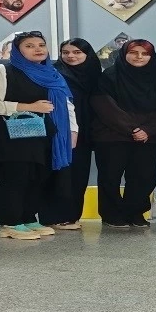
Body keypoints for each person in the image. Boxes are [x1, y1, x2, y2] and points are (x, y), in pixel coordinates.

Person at [0, 31, 78, 241]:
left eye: (41, 45)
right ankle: (10, 223)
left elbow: (66, 105)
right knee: (16, 177)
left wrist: (71, 131)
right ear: (17, 50)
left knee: (37, 177)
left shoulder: (52, 74)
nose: (37, 49)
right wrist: (27, 106)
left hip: (43, 134)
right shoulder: (1, 72)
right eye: (29, 46)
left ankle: (29, 218)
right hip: (11, 135)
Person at [93, 39, 156, 228]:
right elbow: (105, 106)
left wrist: (148, 130)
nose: (139, 57)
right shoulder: (109, 76)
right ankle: (112, 215)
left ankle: (135, 213)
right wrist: (132, 129)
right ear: (124, 54)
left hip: (147, 138)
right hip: (112, 135)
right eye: (134, 53)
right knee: (110, 177)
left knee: (143, 177)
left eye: (144, 54)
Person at [40, 38, 101, 230]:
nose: (70, 56)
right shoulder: (54, 73)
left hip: (86, 132)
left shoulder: (94, 74)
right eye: (65, 52)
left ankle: (72, 216)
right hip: (60, 131)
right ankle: (54, 217)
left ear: (87, 54)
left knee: (79, 175)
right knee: (59, 174)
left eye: (76, 52)